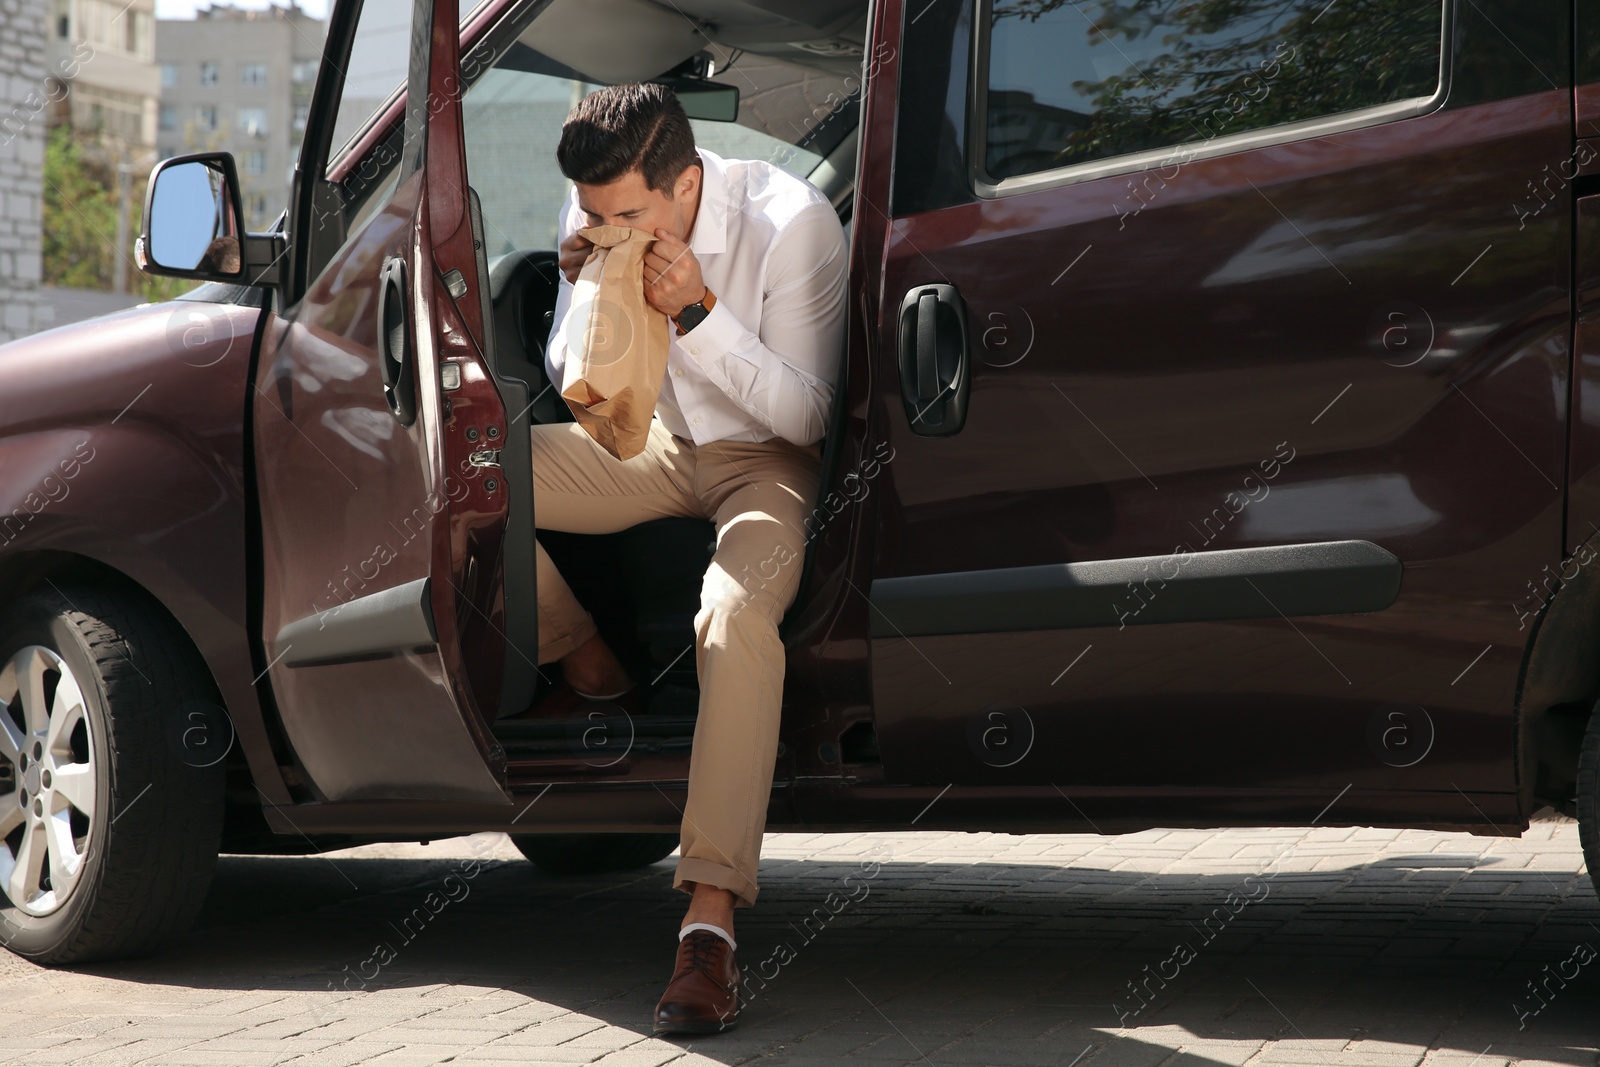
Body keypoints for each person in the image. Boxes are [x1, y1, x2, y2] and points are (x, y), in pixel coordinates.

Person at [532, 83, 848, 1033]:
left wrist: (701, 312)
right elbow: (566, 374)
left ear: (685, 183)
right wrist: (583, 279)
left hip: (766, 461)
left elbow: (812, 415)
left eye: (629, 213)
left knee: (734, 613)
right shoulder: (595, 210)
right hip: (652, 442)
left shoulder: (791, 224)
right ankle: (585, 660)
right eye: (594, 213)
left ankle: (707, 924)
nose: (610, 225)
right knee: (461, 482)